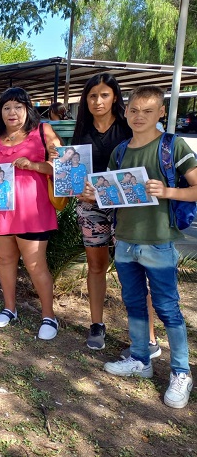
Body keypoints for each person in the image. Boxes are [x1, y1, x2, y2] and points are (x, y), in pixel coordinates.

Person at [100, 85, 196, 409]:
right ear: (126, 112)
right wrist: (93, 192)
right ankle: (140, 359)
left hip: (159, 242)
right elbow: (110, 193)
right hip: (125, 241)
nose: (139, 116)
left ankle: (181, 372)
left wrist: (168, 192)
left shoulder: (172, 146)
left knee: (168, 309)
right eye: (134, 110)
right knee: (134, 304)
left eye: (148, 110)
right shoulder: (120, 151)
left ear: (161, 113)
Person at [67, 73, 161, 352]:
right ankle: (97, 324)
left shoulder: (129, 127)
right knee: (96, 266)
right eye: (92, 95)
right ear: (86, 99)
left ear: (115, 97)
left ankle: (148, 335)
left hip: (128, 209)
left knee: (133, 269)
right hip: (90, 208)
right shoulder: (81, 132)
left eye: (104, 95)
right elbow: (74, 175)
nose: (98, 101)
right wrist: (75, 185)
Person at [0, 87, 60, 341]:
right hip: (0, 208)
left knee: (35, 265)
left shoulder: (42, 131)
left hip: (32, 210)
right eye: (6, 107)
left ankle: (49, 316)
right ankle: (9, 308)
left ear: (27, 109)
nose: (12, 112)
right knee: (4, 260)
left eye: (18, 107)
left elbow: (62, 166)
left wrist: (34, 165)